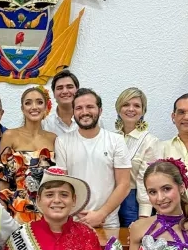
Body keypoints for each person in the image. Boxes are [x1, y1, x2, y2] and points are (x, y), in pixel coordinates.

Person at [55, 88, 131, 229]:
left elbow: (124, 185)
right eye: (79, 108)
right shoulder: (62, 142)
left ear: (100, 110)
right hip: (73, 221)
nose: (84, 112)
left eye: (90, 106)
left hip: (108, 222)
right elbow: (62, 184)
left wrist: (101, 214)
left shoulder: (116, 141)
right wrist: (75, 213)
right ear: (73, 112)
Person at [0, 86, 57, 224]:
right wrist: (4, 210)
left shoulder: (53, 138)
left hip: (47, 209)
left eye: (39, 102)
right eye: (28, 102)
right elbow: (3, 178)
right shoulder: (10, 136)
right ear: (22, 108)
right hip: (17, 209)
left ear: (46, 107)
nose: (34, 107)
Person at [114, 87, 160, 226]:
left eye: (137, 105)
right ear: (118, 109)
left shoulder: (150, 141)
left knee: (133, 245)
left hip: (133, 204)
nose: (131, 109)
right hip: (109, 202)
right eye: (126, 104)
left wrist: (144, 217)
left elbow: (145, 180)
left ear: (143, 111)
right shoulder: (110, 138)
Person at [41, 70, 80, 136]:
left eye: (69, 87)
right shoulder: (45, 124)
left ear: (77, 90)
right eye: (60, 88)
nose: (65, 91)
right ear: (53, 93)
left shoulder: (92, 120)